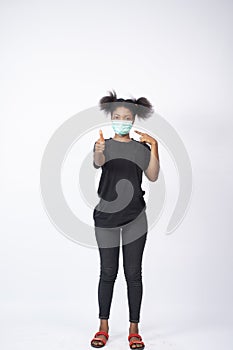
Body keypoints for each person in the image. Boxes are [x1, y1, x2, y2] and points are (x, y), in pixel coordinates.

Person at [90, 90, 160, 349]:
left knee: (134, 274)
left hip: (135, 218)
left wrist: (154, 147)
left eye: (127, 117)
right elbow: (98, 163)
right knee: (108, 272)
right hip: (105, 219)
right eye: (117, 116)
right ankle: (103, 327)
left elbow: (152, 176)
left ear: (134, 120)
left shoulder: (141, 148)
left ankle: (134, 330)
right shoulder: (102, 145)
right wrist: (98, 151)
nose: (122, 120)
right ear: (111, 118)